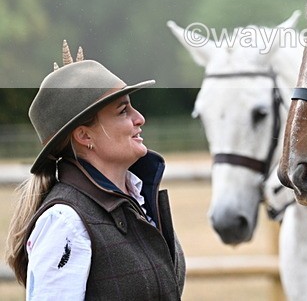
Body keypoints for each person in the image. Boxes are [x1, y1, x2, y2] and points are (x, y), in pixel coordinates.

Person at [5, 42, 185, 300]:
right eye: (123, 110)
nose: (139, 118)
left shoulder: (139, 199)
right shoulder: (65, 221)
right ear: (84, 135)